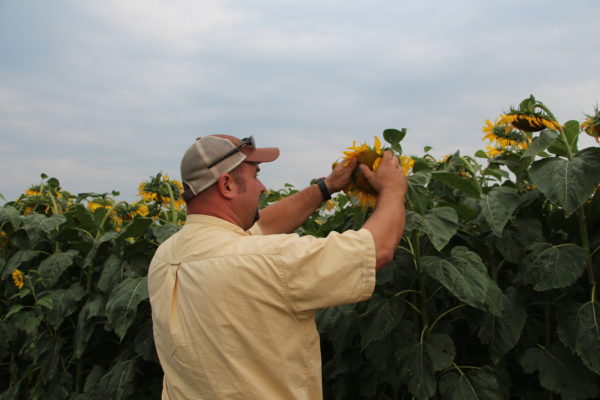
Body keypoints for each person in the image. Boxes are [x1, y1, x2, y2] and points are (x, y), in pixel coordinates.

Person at [148, 134, 408, 399]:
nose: (262, 188)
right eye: (255, 175)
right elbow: (376, 248)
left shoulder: (165, 255)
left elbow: (264, 226)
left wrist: (327, 186)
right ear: (226, 185)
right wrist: (393, 189)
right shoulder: (270, 261)